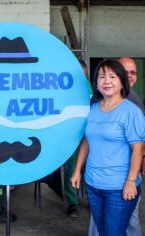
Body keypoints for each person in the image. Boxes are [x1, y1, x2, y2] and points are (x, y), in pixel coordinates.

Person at [71, 59, 145, 236]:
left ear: (122, 81)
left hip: (119, 187)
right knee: (103, 230)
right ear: (96, 83)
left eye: (112, 76)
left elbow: (137, 149)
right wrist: (77, 171)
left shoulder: (130, 111)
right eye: (101, 77)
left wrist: (130, 182)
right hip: (93, 183)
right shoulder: (93, 109)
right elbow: (87, 141)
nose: (106, 81)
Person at [62, 58, 90, 218]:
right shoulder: (65, 88)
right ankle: (72, 203)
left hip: (91, 134)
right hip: (72, 135)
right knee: (72, 169)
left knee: (91, 168)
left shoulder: (91, 87)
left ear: (85, 72)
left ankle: (91, 199)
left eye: (81, 72)